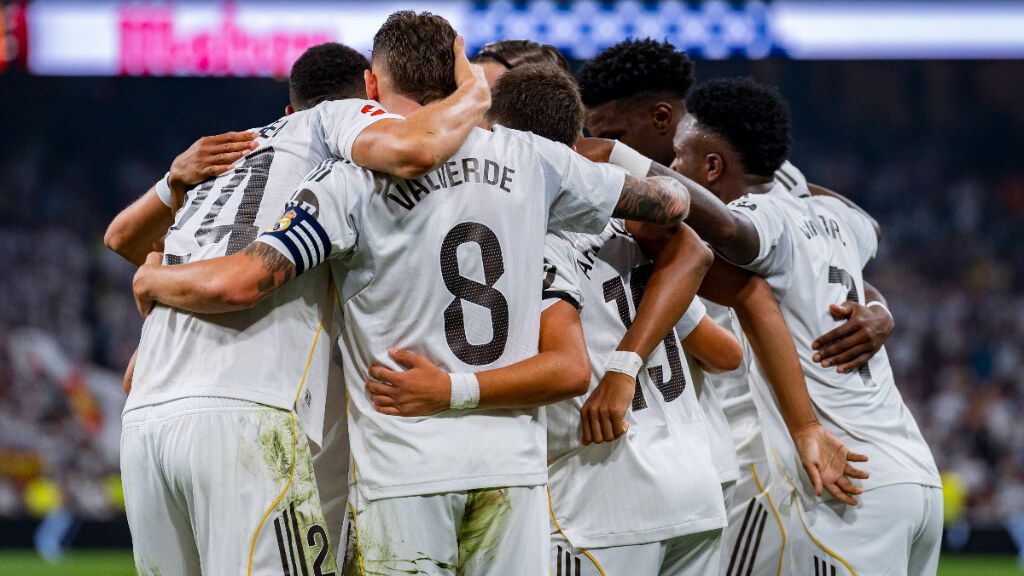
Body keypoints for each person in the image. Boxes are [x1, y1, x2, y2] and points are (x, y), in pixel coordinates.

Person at [130, 12, 694, 576]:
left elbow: (248, 276)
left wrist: (156, 279)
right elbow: (671, 203)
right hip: (512, 466)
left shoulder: (346, 180)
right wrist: (601, 154)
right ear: (461, 80)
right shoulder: (533, 158)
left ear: (371, 87)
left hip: (403, 465)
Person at [115, 34, 492, 575]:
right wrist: (474, 93)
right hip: (246, 410)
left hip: (147, 415)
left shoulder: (228, 157)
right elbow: (416, 148)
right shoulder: (338, 122)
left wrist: (166, 211)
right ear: (370, 93)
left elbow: (122, 239)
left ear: (288, 108)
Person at [362, 62, 738, 576]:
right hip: (694, 489)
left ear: (498, 136)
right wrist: (631, 358)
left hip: (602, 500)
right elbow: (724, 350)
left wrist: (452, 390)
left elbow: (569, 369)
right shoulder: (630, 233)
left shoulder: (534, 235)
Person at [576, 39, 892, 575]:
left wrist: (878, 306)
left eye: (613, 134)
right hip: (690, 437)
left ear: (661, 119)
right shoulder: (634, 189)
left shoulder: (753, 177)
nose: (602, 144)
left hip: (753, 438)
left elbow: (844, 239)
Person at [669, 77, 942, 576]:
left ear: (711, 167)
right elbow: (873, 229)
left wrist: (624, 166)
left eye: (677, 157)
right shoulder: (835, 216)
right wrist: (880, 307)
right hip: (914, 475)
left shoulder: (761, 214)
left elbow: (729, 228)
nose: (671, 169)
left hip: (847, 480)